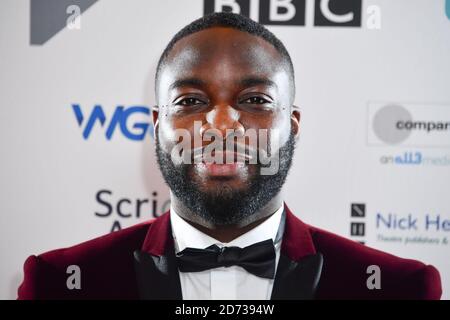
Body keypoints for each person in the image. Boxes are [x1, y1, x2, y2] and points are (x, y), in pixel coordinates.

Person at [18, 12, 441, 300]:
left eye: (255, 99)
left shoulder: (399, 289)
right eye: (189, 101)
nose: (221, 125)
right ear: (155, 123)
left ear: (292, 124)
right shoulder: (59, 283)